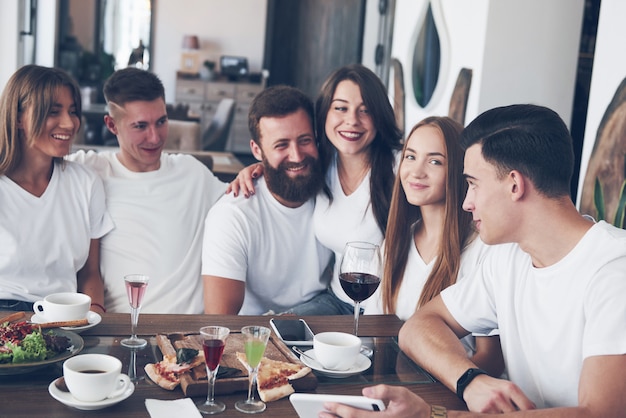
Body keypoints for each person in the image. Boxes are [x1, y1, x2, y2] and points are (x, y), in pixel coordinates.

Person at [321, 104, 626, 417]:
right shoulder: (509, 256)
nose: (466, 202)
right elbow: (419, 327)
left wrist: (436, 415)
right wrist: (470, 380)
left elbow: (600, 414)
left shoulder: (614, 270)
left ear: (514, 185)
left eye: (473, 184)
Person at [228, 64, 403, 315]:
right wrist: (259, 166)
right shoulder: (320, 164)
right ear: (324, 114)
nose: (352, 120)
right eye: (341, 108)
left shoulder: (401, 168)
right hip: (338, 300)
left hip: (387, 311)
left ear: (380, 116)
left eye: (365, 110)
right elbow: (287, 161)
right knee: (273, 337)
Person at [68, 68, 227, 314]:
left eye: (161, 122)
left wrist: (252, 173)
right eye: (140, 126)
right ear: (112, 125)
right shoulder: (89, 170)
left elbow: (242, 204)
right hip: (121, 332)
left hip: (189, 335)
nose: (155, 137)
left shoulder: (192, 172)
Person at [364, 116, 502, 375]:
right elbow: (375, 335)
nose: (416, 172)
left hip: (450, 397)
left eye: (435, 161)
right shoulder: (394, 244)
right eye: (411, 157)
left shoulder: (483, 250)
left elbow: (492, 360)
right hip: (396, 386)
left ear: (460, 172)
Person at [201, 85, 331, 315]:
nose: (297, 155)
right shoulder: (232, 215)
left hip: (324, 326)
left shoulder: (336, 187)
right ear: (257, 150)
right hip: (254, 339)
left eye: (305, 140)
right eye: (281, 145)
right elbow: (220, 322)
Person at [0, 65, 113, 313]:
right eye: (53, 111)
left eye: (73, 111)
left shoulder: (86, 183)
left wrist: (95, 317)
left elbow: (90, 273)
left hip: (64, 319)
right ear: (18, 118)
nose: (69, 123)